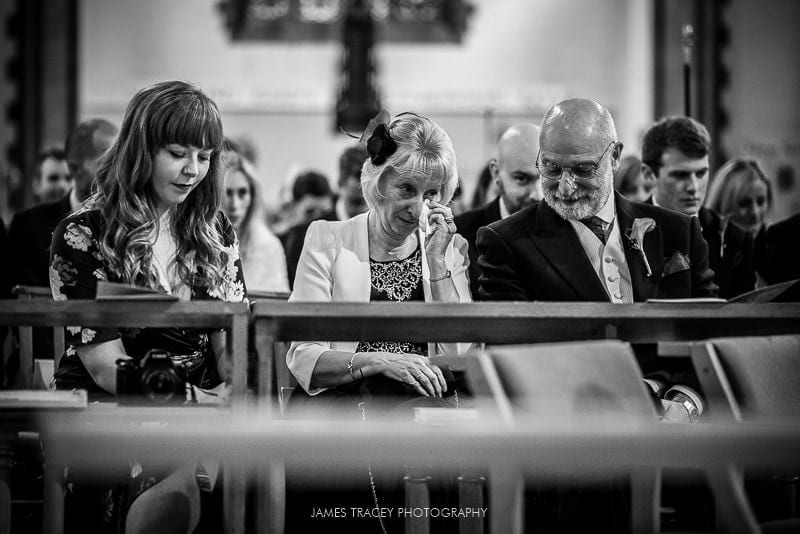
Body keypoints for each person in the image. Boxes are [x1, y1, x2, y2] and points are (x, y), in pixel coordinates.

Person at [477, 98, 717, 531]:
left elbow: (711, 334)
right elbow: (511, 352)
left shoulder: (676, 231)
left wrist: (685, 402)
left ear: (615, 155)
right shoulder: (506, 243)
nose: (566, 186)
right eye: (551, 168)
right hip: (571, 424)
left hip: (680, 412)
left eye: (584, 169)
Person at [49, 80, 246, 534]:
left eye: (204, 156)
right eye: (177, 153)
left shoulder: (213, 228)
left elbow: (230, 333)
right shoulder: (83, 233)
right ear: (141, 149)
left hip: (201, 396)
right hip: (108, 398)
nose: (192, 170)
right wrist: (196, 401)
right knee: (170, 457)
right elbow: (104, 365)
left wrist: (233, 384)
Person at [285, 111, 470, 533]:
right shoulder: (327, 239)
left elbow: (459, 355)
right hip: (343, 398)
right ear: (378, 183)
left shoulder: (448, 250)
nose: (418, 206)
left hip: (425, 404)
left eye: (432, 193)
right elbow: (303, 356)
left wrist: (438, 262)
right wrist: (381, 360)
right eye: (407, 188)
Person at [642, 117, 755, 298]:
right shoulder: (625, 229)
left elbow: (745, 318)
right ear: (648, 175)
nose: (693, 187)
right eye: (680, 175)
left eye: (701, 173)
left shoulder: (735, 240)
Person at [9, 119, 118, 288]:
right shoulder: (28, 226)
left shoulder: (129, 222)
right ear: (75, 168)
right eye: (108, 161)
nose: (119, 170)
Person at [455, 123, 541, 295]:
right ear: (496, 173)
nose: (537, 194)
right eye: (522, 178)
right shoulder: (461, 233)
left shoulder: (566, 231)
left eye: (544, 179)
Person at [221, 142, 289, 293]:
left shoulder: (269, 245)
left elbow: (280, 303)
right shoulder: (200, 241)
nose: (235, 204)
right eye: (228, 192)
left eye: (242, 192)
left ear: (253, 196)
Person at [280, 170, 337, 286]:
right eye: (310, 212)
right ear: (293, 207)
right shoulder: (278, 247)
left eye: (325, 213)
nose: (318, 221)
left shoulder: (339, 244)